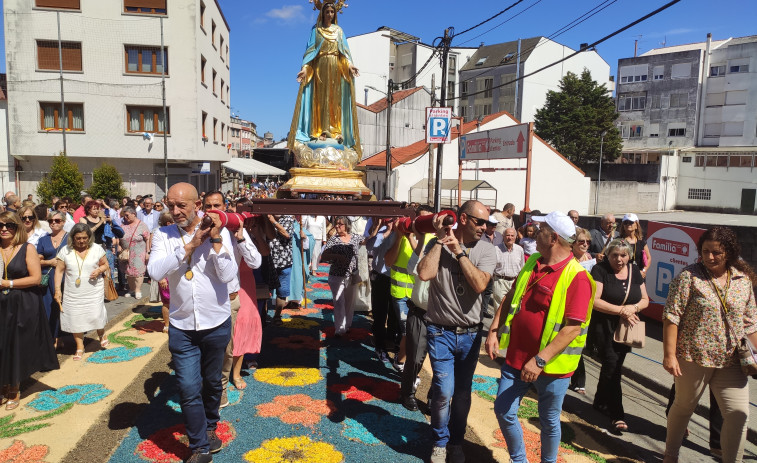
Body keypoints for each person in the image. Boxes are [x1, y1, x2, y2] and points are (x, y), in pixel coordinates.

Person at [486, 211, 595, 463]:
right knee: (504, 411)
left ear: (553, 238)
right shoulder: (533, 260)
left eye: (542, 228)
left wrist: (540, 361)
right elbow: (511, 297)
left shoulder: (577, 277)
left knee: (548, 421)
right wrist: (493, 330)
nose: (536, 231)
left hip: (552, 367)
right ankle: (519, 460)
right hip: (516, 357)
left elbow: (572, 328)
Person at [148, 183, 237, 463]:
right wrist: (189, 246)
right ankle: (199, 447)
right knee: (187, 386)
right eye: (170, 205)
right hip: (182, 325)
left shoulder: (218, 231)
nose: (175, 211)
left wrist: (216, 241)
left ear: (197, 204)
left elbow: (227, 276)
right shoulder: (163, 235)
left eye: (181, 206)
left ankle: (210, 426)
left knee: (212, 383)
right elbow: (154, 271)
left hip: (215, 321)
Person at [663, 226, 757, 463]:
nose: (710, 257)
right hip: (693, 357)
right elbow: (672, 316)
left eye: (716, 252)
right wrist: (669, 355)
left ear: (729, 252)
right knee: (684, 406)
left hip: (731, 361)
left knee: (738, 414)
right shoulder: (689, 277)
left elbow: (750, 324)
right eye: (705, 251)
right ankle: (671, 455)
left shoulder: (742, 280)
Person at [416, 200, 497, 463]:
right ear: (463, 219)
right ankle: (440, 442)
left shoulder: (486, 250)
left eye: (487, 222)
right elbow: (425, 274)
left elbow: (479, 285)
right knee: (443, 390)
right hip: (440, 332)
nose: (485, 227)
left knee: (462, 392)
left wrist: (459, 251)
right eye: (479, 221)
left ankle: (456, 441)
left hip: (471, 335)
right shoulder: (435, 244)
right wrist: (440, 241)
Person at [201, 191, 261, 408]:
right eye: (208, 206)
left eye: (217, 205)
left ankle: (222, 388)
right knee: (205, 348)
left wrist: (242, 239)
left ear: (226, 206)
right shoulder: (196, 231)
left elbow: (255, 262)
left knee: (227, 349)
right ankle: (206, 387)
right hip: (204, 300)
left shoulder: (234, 230)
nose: (213, 211)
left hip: (230, 299)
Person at [0, 212, 59, 410]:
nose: (4, 228)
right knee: (1, 344)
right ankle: (3, 385)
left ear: (17, 227)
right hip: (1, 304)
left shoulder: (27, 248)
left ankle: (14, 388)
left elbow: (35, 278)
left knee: (15, 343)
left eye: (9, 225)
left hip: (22, 303)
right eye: (1, 225)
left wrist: (7, 283)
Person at [288, 1, 362, 158]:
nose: (329, 14)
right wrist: (304, 69)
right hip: (320, 68)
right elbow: (310, 53)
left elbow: (344, 54)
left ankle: (335, 132)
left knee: (334, 101)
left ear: (335, 14)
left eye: (332, 12)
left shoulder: (339, 31)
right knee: (320, 101)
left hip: (336, 68)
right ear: (322, 13)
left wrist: (350, 66)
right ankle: (319, 131)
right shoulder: (316, 30)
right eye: (327, 11)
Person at [590, 239, 649, 432]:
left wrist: (633, 308)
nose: (619, 259)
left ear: (629, 256)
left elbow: (645, 299)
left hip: (626, 328)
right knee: (613, 367)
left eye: (623, 255)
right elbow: (595, 301)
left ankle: (599, 401)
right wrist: (620, 310)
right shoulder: (600, 270)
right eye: (614, 255)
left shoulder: (634, 270)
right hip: (604, 326)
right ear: (608, 255)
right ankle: (617, 414)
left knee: (612, 366)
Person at [53, 223, 110, 361]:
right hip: (73, 292)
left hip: (93, 289)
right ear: (73, 237)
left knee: (96, 314)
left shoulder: (97, 249)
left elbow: (106, 264)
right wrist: (57, 290)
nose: (81, 241)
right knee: (75, 318)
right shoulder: (65, 251)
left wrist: (99, 270)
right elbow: (59, 271)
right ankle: (80, 346)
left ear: (89, 237)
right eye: (78, 238)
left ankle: (101, 334)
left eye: (84, 238)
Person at [397, 205, 434, 412]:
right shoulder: (426, 243)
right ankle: (408, 392)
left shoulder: (452, 244)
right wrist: (420, 242)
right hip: (420, 311)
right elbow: (412, 268)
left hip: (442, 316)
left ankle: (433, 398)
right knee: (416, 357)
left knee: (440, 363)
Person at [320, 216, 362, 336]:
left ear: (347, 225)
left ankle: (347, 325)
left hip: (351, 275)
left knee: (349, 302)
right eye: (336, 224)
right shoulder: (334, 239)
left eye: (340, 224)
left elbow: (368, 240)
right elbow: (324, 255)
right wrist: (338, 257)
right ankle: (340, 328)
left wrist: (377, 226)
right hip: (336, 275)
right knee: (339, 301)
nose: (337, 226)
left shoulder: (354, 237)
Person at [365, 216, 398, 363]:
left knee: (395, 313)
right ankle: (380, 346)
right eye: (388, 219)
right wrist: (385, 231)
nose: (390, 221)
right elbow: (369, 247)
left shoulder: (401, 232)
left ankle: (391, 341)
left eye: (393, 219)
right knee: (379, 313)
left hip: (396, 277)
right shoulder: (382, 231)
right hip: (380, 277)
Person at [37, 211, 68, 348]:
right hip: (47, 276)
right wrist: (50, 262)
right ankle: (54, 336)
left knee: (64, 306)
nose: (53, 223)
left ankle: (64, 335)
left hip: (65, 277)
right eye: (50, 221)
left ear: (63, 221)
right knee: (50, 307)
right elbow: (37, 260)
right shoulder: (43, 239)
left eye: (57, 220)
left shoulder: (70, 238)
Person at [488, 227, 524, 325]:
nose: (510, 237)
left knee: (514, 308)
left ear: (516, 237)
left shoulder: (520, 249)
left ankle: (510, 333)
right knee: (500, 309)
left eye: (512, 235)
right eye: (507, 235)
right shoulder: (495, 249)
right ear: (503, 237)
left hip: (514, 283)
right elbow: (491, 267)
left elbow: (522, 267)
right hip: (500, 281)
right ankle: (498, 334)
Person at [267, 214, 295, 324]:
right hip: (268, 260)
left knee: (282, 292)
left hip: (284, 262)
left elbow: (286, 234)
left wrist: (273, 222)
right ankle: (262, 315)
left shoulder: (287, 218)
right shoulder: (266, 218)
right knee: (264, 290)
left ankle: (277, 315)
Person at [118, 206, 150, 299]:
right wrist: (119, 245)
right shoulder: (123, 225)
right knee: (128, 271)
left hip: (138, 252)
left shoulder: (142, 225)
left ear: (134, 214)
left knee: (138, 272)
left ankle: (138, 290)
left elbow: (147, 239)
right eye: (124, 216)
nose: (125, 217)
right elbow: (118, 237)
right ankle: (131, 289)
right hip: (126, 252)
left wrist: (148, 252)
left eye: (127, 215)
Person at [618, 213, 651, 279]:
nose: (628, 224)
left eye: (631, 222)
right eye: (625, 222)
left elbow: (648, 258)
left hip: (638, 276)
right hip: (623, 275)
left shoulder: (641, 242)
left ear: (636, 225)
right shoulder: (618, 241)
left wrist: (644, 271)